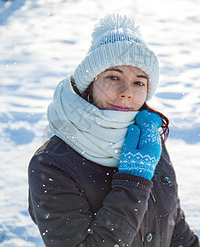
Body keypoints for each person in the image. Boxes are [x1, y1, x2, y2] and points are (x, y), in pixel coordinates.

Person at [28, 14, 199, 247]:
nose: (127, 91)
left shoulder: (148, 138)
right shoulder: (51, 165)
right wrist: (134, 181)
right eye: (113, 77)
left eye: (139, 82)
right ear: (90, 84)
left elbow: (173, 224)